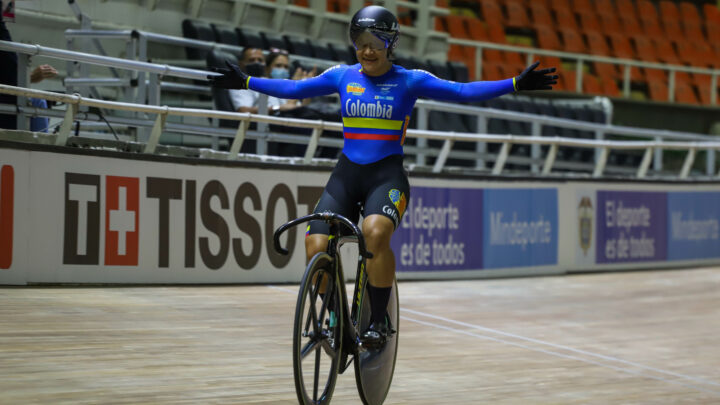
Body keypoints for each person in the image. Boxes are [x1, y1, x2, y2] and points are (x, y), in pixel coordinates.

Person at [210, 5, 557, 346]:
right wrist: (247, 80)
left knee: (374, 233)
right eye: (360, 43)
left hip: (385, 177)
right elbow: (295, 91)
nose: (367, 51)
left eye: (375, 44)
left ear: (390, 46)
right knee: (315, 243)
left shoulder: (409, 81)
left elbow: (462, 91)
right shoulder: (341, 76)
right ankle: (334, 315)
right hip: (346, 174)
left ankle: (379, 319)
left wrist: (513, 83)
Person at [229, 47, 313, 115]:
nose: (257, 63)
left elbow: (296, 110)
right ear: (267, 68)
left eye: (286, 67)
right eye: (278, 66)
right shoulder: (244, 83)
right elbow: (243, 111)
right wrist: (277, 108)